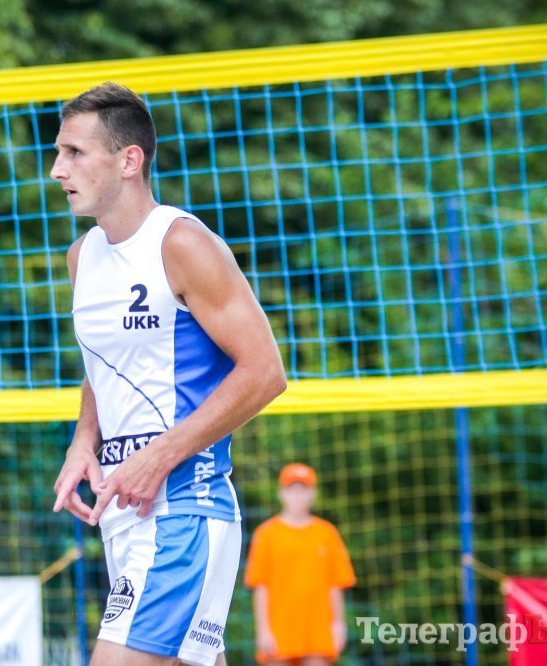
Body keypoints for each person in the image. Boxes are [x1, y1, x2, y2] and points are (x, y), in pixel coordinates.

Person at [50, 81, 287, 666]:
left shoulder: (181, 243)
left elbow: (265, 372)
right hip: (124, 510)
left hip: (184, 504)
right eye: (58, 153)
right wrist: (83, 441)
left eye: (74, 152)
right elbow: (105, 364)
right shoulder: (82, 257)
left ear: (129, 160)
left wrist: (158, 456)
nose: (57, 170)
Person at [244, 463, 356, 666]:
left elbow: (335, 585)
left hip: (318, 630)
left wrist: (339, 625)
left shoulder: (327, 534)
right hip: (279, 630)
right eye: (292, 489)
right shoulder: (266, 534)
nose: (297, 496)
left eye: (303, 489)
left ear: (313, 494)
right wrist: (263, 631)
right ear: (282, 493)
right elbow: (260, 586)